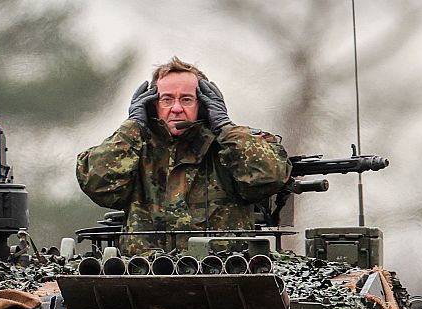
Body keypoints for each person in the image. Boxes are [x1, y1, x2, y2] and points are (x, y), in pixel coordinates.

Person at [76, 57, 292, 254]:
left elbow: (268, 176)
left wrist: (225, 127)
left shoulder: (229, 146)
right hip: (144, 275)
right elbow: (98, 184)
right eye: (167, 99)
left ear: (204, 105)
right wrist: (132, 127)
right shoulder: (134, 148)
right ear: (152, 105)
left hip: (225, 274)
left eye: (187, 99)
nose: (177, 108)